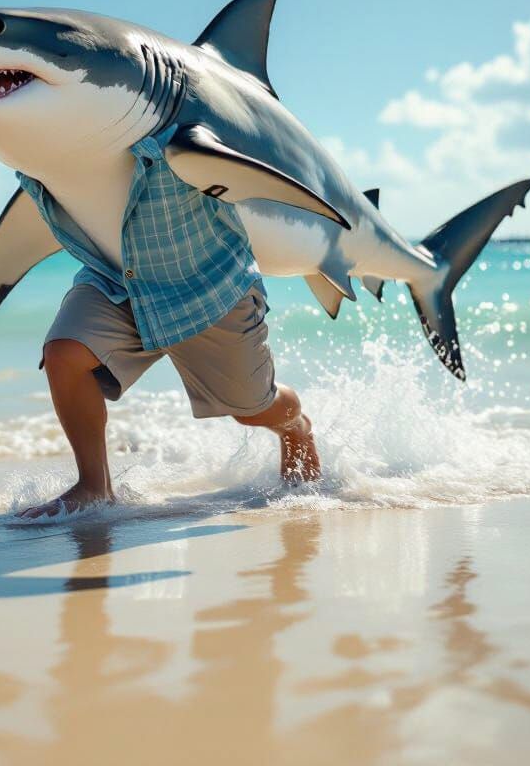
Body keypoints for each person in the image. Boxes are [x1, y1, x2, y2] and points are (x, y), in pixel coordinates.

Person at [17, 125, 320, 519]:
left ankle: (297, 426)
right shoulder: (30, 144)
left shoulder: (166, 119)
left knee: (251, 409)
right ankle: (95, 486)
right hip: (116, 279)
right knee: (64, 354)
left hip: (210, 286)